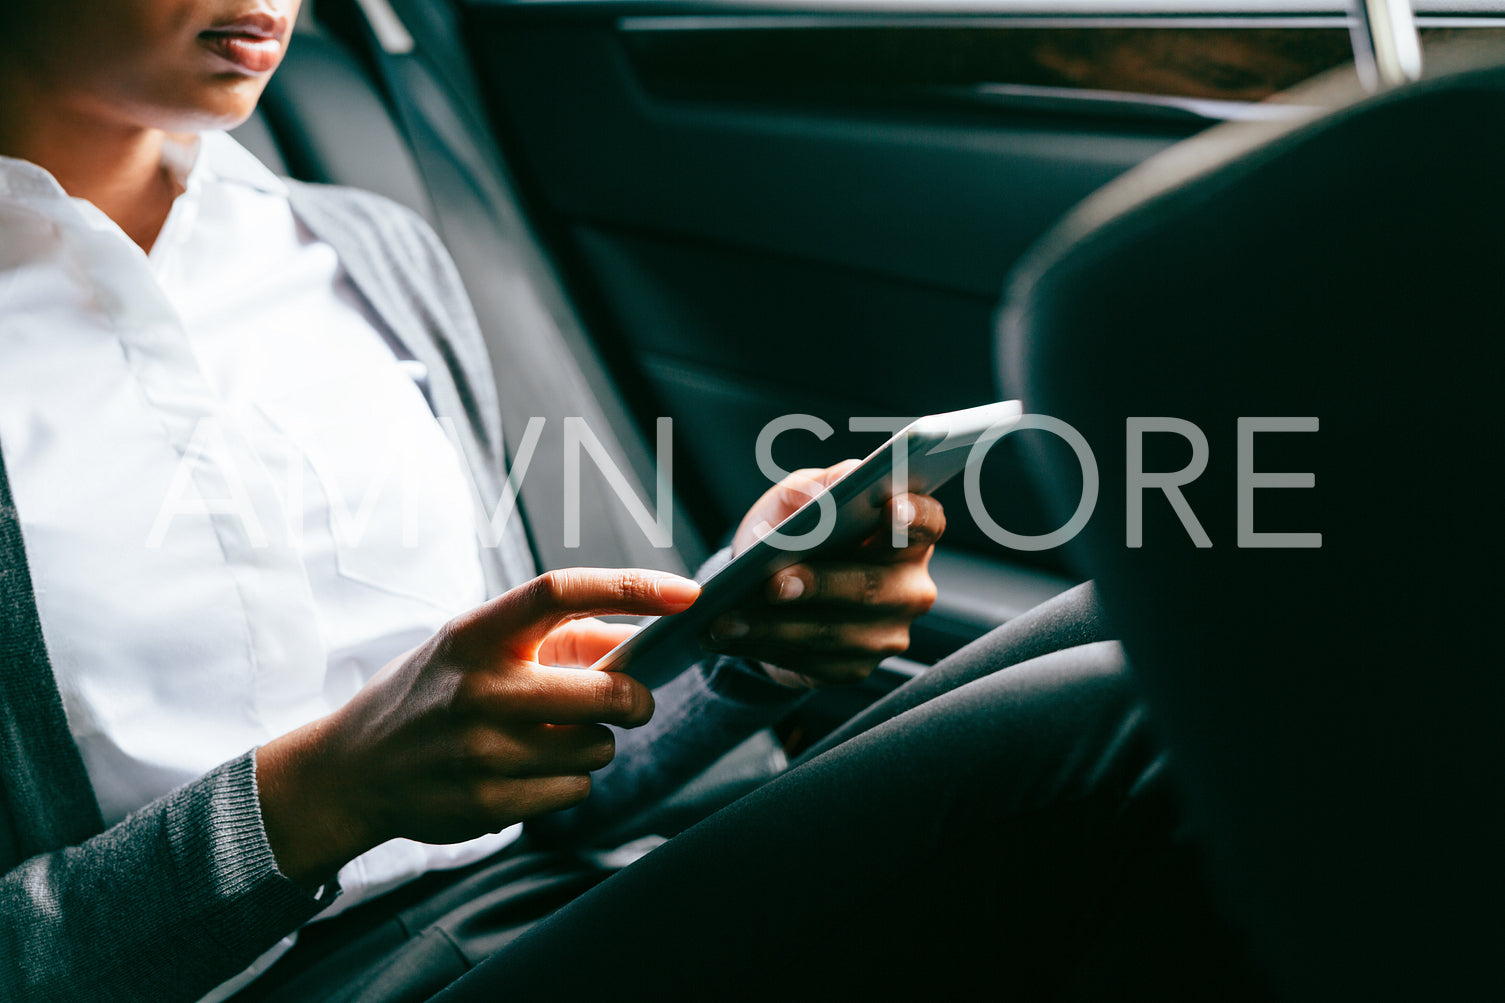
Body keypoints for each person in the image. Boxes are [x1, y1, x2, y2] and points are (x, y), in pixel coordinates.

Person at [0, 2, 1264, 1000]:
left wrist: (738, 647)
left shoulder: (361, 250)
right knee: (1115, 724)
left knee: (1172, 632)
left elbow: (562, 785)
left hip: (553, 904)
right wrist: (318, 799)